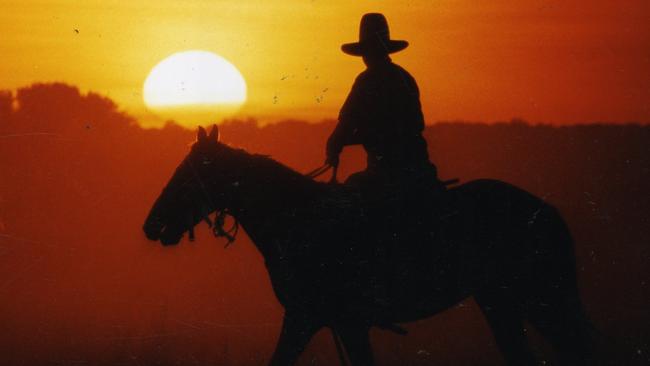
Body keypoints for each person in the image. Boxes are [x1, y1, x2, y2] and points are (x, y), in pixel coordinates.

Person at [325, 13, 439, 192]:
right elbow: (412, 125)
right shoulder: (405, 77)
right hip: (419, 168)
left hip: (386, 171)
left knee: (352, 191)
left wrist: (334, 145)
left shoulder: (367, 80)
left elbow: (347, 123)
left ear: (365, 53)